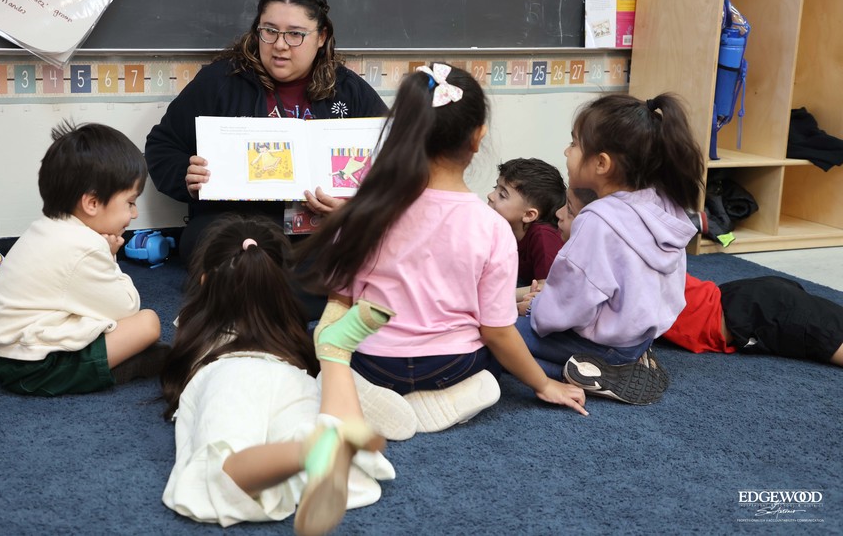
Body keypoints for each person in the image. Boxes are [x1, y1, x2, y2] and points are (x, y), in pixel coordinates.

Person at [299, 63, 588, 434]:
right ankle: (456, 395)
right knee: (495, 365)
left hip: (373, 361)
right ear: (478, 136)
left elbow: (340, 301)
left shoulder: (361, 213)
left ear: (401, 131)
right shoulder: (494, 229)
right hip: (453, 364)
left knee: (323, 339)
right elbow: (497, 331)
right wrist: (544, 384)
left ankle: (358, 393)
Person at [160, 216, 400, 535]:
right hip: (290, 372)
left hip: (227, 376)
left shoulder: (192, 323)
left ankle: (308, 451)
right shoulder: (289, 331)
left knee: (225, 470)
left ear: (205, 282)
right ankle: (334, 355)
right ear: (278, 284)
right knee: (318, 449)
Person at [144, 0, 387, 269]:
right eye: (269, 31)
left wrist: (355, 209)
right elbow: (162, 147)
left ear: (321, 37)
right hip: (238, 226)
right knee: (217, 248)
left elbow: (396, 163)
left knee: (369, 249)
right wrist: (188, 176)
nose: (280, 46)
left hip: (319, 227)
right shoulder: (221, 82)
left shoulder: (348, 90)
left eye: (295, 34)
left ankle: (255, 295)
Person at [518, 93, 705, 405]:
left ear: (602, 163)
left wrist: (536, 308)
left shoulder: (597, 221)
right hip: (637, 340)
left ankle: (596, 371)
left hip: (601, 342)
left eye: (574, 143)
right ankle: (617, 366)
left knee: (498, 339)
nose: (567, 151)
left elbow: (568, 304)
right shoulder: (661, 205)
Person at [0, 121, 164, 396]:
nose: (133, 215)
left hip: (1, 345)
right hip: (30, 367)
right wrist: (112, 258)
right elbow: (127, 308)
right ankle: (111, 369)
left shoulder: (46, 227)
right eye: (130, 203)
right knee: (148, 324)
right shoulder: (84, 248)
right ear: (92, 203)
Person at [557, 187, 843, 367]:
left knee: (829, 339)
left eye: (568, 211)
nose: (558, 215)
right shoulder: (612, 262)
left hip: (746, 308)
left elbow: (577, 304)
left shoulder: (614, 265)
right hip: (738, 303)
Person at [487, 157, 566, 287]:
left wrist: (501, 295)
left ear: (529, 215)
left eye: (502, 195)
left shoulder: (543, 236)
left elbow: (546, 287)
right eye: (496, 187)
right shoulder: (501, 229)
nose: (490, 195)